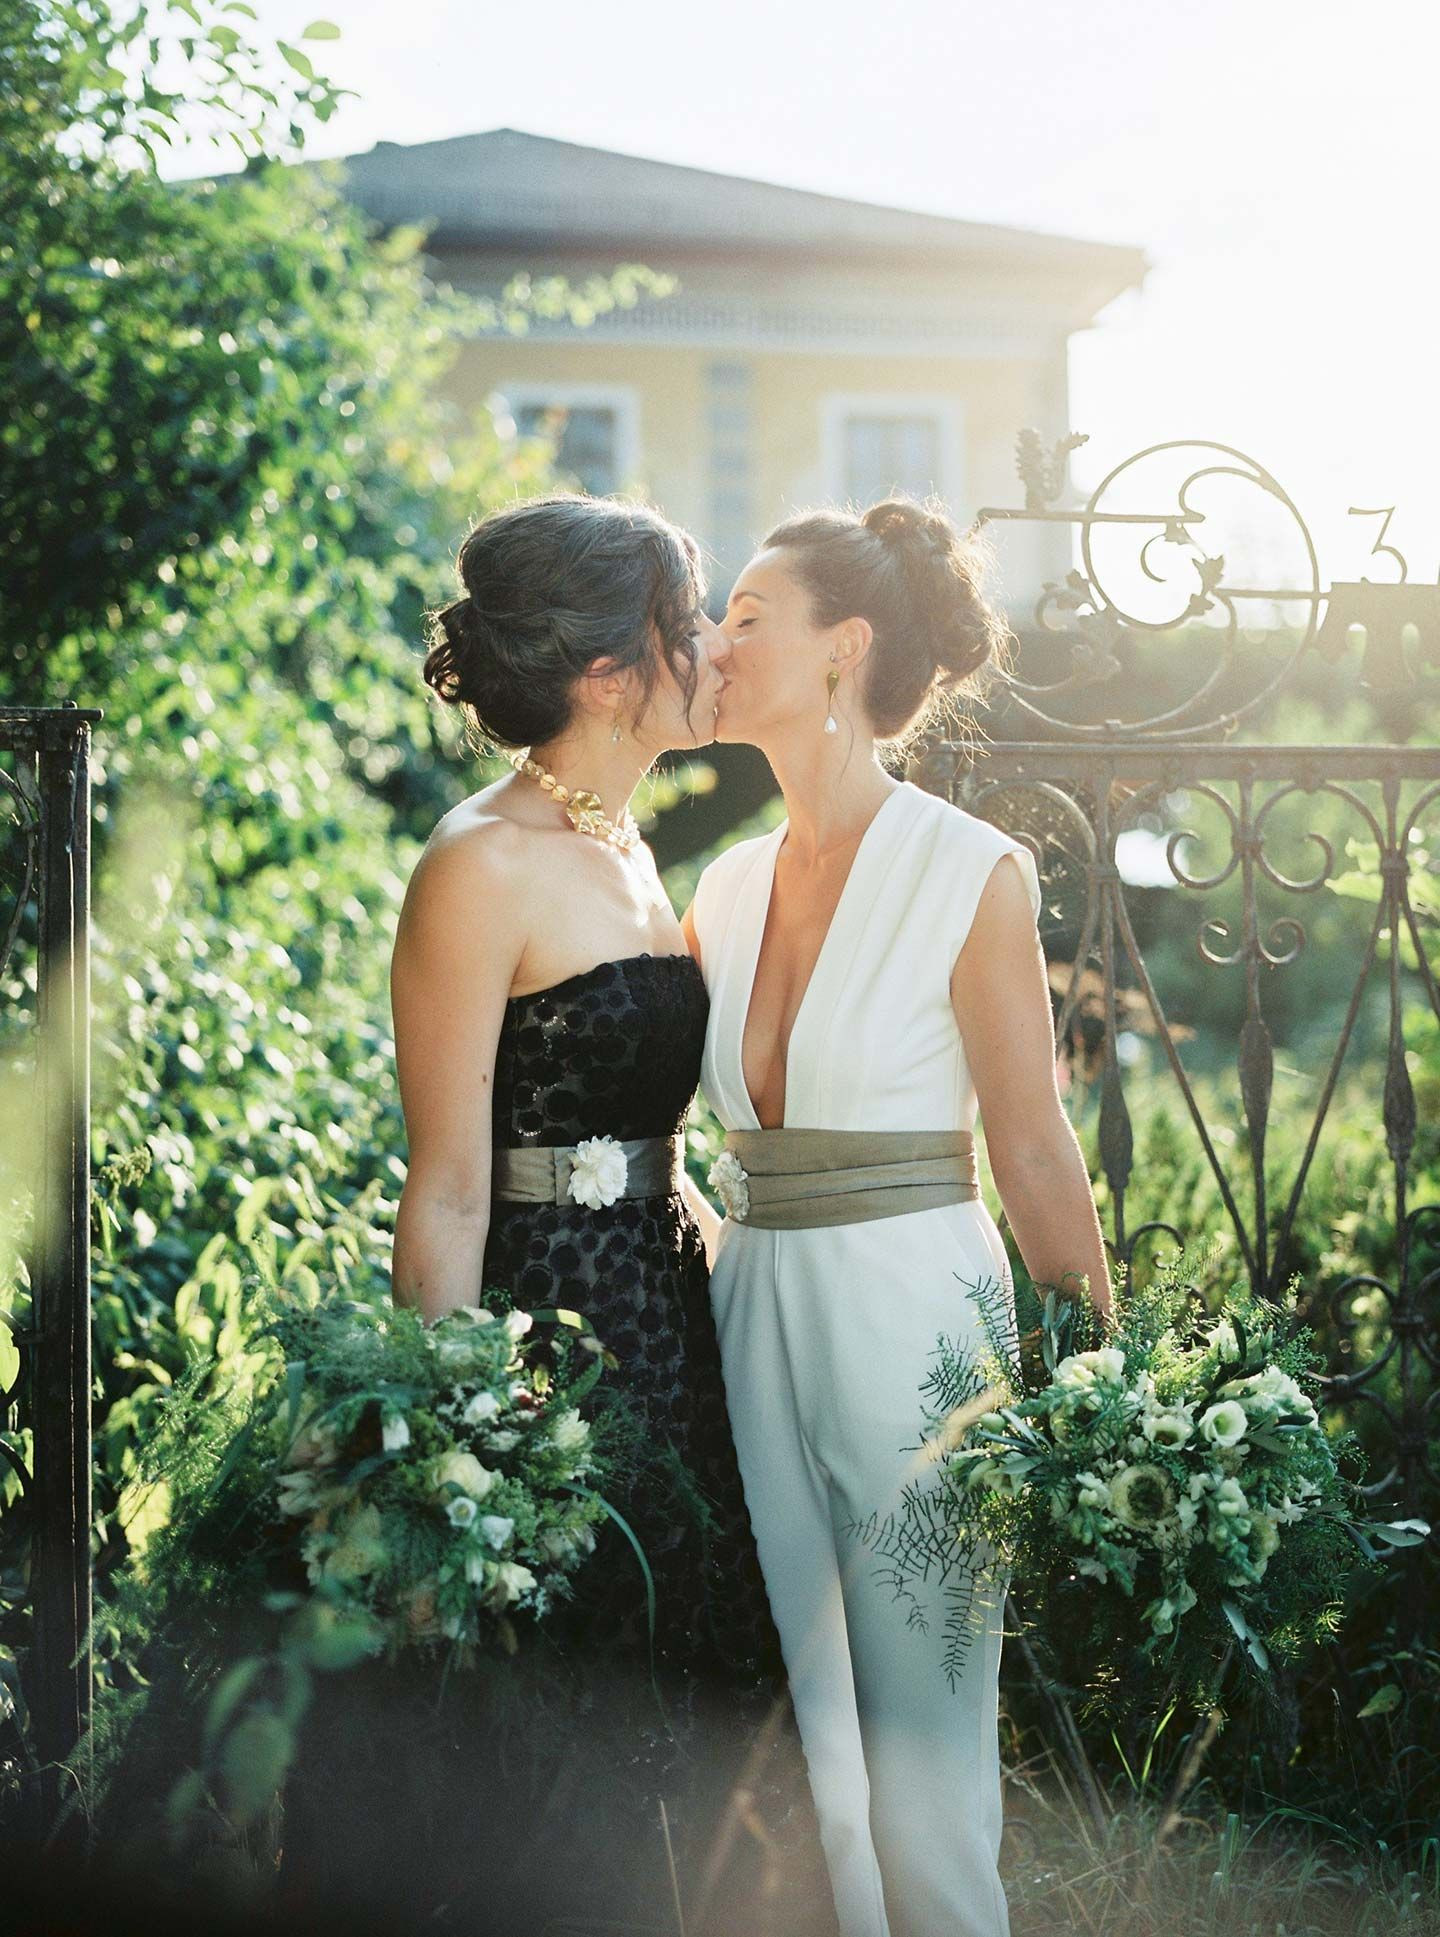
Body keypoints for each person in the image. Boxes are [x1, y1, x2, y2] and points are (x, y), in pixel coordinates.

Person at [286, 494, 825, 1935]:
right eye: (687, 619)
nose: (712, 645)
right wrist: (440, 1454)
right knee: (563, 1722)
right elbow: (450, 1180)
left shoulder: (636, 846)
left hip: (671, 1315)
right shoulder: (480, 864)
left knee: (701, 1725)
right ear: (606, 676)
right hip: (550, 1342)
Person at [682, 498, 1112, 1937]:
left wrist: (1099, 1391)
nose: (714, 641)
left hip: (918, 1312)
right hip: (749, 1311)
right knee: (799, 1755)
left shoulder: (968, 869)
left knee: (924, 1752)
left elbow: (1036, 1147)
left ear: (840, 650)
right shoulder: (721, 887)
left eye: (746, 615)